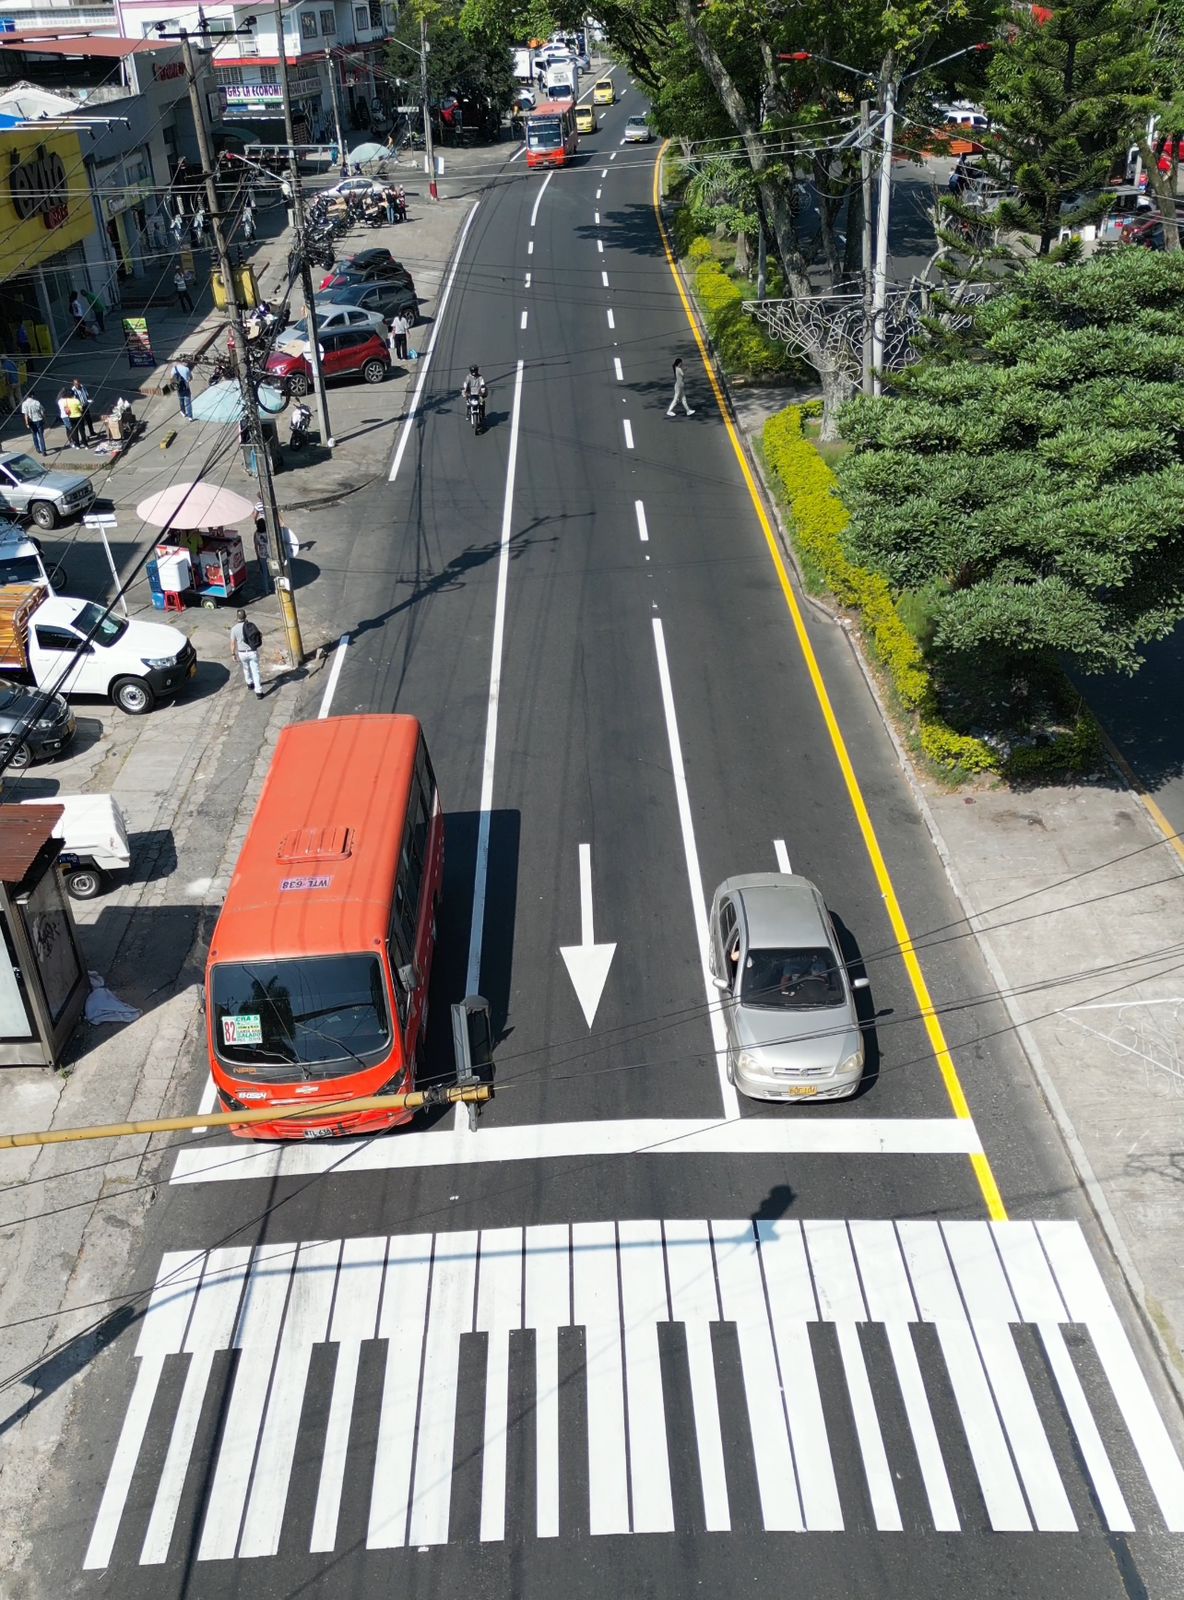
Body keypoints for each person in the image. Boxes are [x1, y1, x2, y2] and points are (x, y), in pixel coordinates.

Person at [230, 608, 265, 698]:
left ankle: (249, 684)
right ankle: (259, 692)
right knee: (255, 671)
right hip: (252, 651)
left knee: (246, 668)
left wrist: (233, 654)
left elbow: (233, 643)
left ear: (237, 617)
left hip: (242, 653)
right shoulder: (251, 626)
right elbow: (259, 635)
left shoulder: (234, 629)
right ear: (245, 616)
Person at [252, 512, 275, 596]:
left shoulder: (256, 534)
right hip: (270, 553)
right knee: (274, 570)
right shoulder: (268, 532)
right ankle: (277, 587)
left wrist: (257, 556)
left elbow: (256, 546)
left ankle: (266, 589)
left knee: (264, 573)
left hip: (262, 554)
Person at [70, 378, 98, 444]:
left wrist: (88, 400)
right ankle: (83, 436)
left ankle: (92, 431)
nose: (78, 385)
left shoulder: (83, 387)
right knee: (81, 423)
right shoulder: (73, 390)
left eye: (78, 383)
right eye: (76, 384)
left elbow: (86, 395)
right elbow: (74, 400)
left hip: (85, 405)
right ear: (74, 384)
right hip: (79, 408)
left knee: (89, 420)